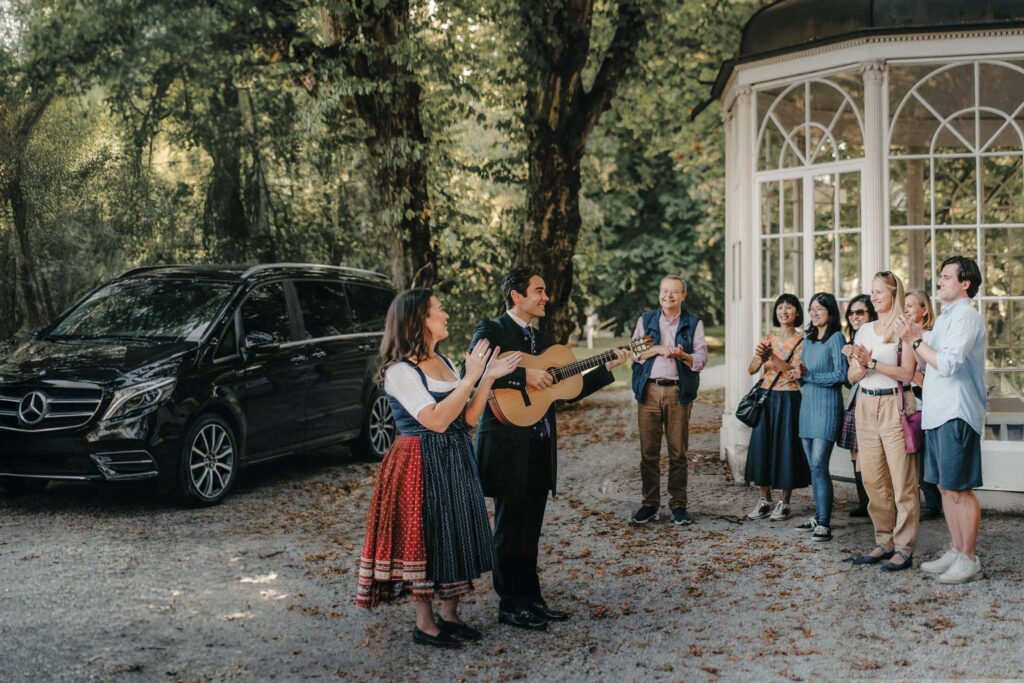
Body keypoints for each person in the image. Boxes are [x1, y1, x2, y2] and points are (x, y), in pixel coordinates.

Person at [356, 289, 522, 648]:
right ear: (419, 320)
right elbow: (434, 420)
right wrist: (470, 377)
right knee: (426, 533)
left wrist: (487, 377)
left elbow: (468, 417)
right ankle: (425, 623)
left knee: (455, 529)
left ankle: (449, 613)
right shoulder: (400, 371)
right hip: (419, 459)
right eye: (439, 310)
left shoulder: (444, 362)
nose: (445, 315)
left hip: (455, 455)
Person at [469, 266, 629, 630]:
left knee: (530, 526)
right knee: (510, 529)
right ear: (517, 296)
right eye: (539, 291)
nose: (546, 297)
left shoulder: (545, 341)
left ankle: (532, 599)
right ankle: (511, 603)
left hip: (540, 446)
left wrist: (606, 368)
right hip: (507, 443)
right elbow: (477, 372)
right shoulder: (491, 330)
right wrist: (523, 375)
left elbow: (566, 391)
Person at [899, 257, 988, 584]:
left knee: (959, 488)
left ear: (965, 283)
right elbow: (924, 360)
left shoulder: (966, 317)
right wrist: (916, 337)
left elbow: (948, 364)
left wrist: (918, 340)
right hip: (937, 413)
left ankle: (968, 558)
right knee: (942, 485)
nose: (940, 281)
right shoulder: (947, 319)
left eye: (947, 276)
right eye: (941, 276)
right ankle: (956, 548)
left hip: (956, 411)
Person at [846, 271, 918, 571]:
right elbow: (851, 377)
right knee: (873, 479)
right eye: (871, 292)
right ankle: (883, 541)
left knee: (902, 480)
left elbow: (907, 374)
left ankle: (904, 547)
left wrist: (873, 362)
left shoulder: (906, 327)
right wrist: (861, 366)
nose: (874, 297)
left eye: (879, 292)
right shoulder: (864, 331)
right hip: (865, 403)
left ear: (893, 293)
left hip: (893, 403)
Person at [628, 275, 709, 526]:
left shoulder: (693, 323)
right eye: (664, 291)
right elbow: (634, 353)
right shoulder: (647, 320)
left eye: (674, 292)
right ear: (659, 293)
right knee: (648, 453)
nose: (668, 296)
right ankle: (650, 504)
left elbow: (701, 360)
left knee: (678, 453)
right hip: (649, 391)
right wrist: (658, 349)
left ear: (683, 295)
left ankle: (678, 505)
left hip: (678, 392)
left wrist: (682, 355)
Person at [744, 293, 810, 522]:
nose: (783, 311)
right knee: (762, 445)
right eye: (780, 307)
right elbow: (752, 369)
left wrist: (773, 359)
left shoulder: (803, 340)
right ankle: (764, 500)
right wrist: (762, 359)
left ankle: (784, 502)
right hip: (766, 397)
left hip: (790, 398)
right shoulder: (767, 338)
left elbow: (794, 372)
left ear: (797, 312)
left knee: (786, 448)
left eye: (789, 307)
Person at [792, 293, 848, 542]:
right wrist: (799, 374)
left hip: (827, 408)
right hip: (808, 407)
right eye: (811, 309)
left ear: (830, 312)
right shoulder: (809, 341)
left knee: (819, 465)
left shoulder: (836, 338)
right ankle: (818, 515)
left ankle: (824, 522)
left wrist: (810, 377)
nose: (814, 313)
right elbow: (804, 375)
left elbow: (840, 375)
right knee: (812, 467)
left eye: (820, 309)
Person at [904, 289, 943, 520]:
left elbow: (927, 374)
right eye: (905, 306)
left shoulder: (931, 336)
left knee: (923, 454)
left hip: (925, 402)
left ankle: (933, 503)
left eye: (911, 306)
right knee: (912, 454)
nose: (906, 310)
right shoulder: (904, 337)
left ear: (924, 310)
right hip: (907, 401)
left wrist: (912, 374)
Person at [841, 294, 877, 517]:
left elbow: (873, 372)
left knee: (872, 455)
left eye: (860, 312)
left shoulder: (875, 337)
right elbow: (848, 379)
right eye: (851, 313)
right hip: (855, 401)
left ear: (870, 314)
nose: (855, 316)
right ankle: (864, 503)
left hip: (873, 400)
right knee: (855, 453)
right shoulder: (850, 341)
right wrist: (848, 359)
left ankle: (878, 503)